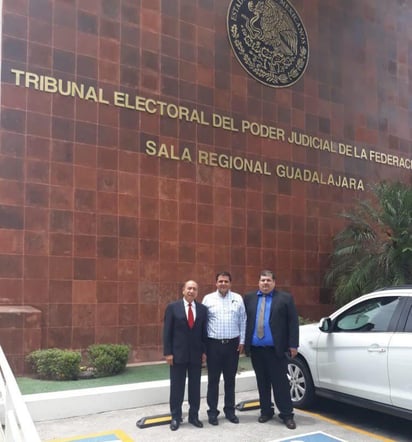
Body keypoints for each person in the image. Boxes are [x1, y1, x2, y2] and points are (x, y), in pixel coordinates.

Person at [244, 270, 299, 430]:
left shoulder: (285, 298)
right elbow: (245, 321)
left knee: (280, 383)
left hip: (276, 350)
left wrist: (293, 345)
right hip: (256, 350)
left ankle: (287, 414)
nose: (265, 283)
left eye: (268, 280)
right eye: (262, 280)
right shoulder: (249, 298)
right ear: (258, 282)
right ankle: (266, 411)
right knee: (262, 382)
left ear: (274, 282)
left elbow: (292, 322)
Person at [202, 271, 246, 425]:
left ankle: (230, 411)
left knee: (230, 380)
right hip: (213, 345)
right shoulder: (208, 299)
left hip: (232, 346)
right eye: (220, 281)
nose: (223, 284)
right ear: (216, 283)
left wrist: (242, 341)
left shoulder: (238, 299)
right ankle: (212, 413)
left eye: (226, 281)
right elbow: (203, 323)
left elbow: (243, 320)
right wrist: (204, 347)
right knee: (213, 381)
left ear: (230, 283)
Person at [163, 280, 208, 431]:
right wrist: (168, 353)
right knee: (177, 388)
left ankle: (194, 416)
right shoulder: (172, 308)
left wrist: (204, 352)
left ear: (197, 292)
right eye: (189, 288)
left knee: (195, 388)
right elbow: (167, 332)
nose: (191, 291)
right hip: (177, 355)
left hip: (195, 355)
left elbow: (203, 333)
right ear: (183, 290)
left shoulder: (202, 309)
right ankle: (175, 417)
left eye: (194, 289)